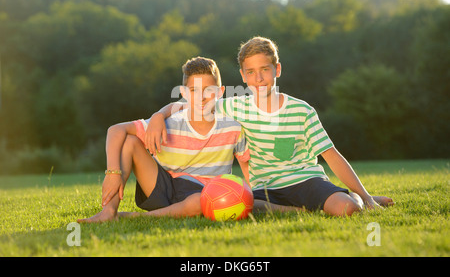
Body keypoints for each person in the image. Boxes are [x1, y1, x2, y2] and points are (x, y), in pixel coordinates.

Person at [146, 37, 394, 217]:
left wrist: (367, 196)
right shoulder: (233, 107)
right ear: (243, 76)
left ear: (277, 69)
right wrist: (159, 114)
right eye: (251, 72)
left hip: (305, 180)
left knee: (348, 210)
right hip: (264, 190)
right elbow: (192, 104)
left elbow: (331, 156)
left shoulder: (302, 110)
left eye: (265, 70)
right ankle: (299, 210)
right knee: (250, 205)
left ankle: (356, 196)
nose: (259, 78)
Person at [78, 57, 249, 223]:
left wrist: (250, 196)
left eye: (209, 90)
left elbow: (246, 167)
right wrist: (113, 173)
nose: (202, 97)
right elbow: (115, 130)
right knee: (130, 142)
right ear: (183, 93)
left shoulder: (233, 128)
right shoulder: (169, 122)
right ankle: (109, 211)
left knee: (198, 201)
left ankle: (135, 217)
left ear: (220, 92)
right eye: (194, 90)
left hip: (204, 194)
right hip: (162, 186)